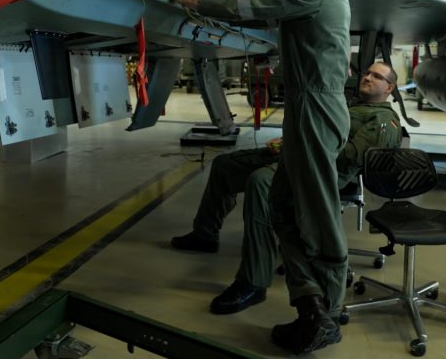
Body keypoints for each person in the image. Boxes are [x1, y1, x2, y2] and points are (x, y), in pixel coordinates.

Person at [171, 0, 350, 353]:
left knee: (317, 211)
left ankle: (329, 307)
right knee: (283, 207)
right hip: (308, 106)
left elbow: (253, 5)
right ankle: (311, 305)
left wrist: (192, 0)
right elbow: (265, 17)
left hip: (316, 108)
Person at [171, 62, 403, 317]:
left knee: (261, 182)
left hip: (319, 174)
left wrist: (299, 143)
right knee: (225, 164)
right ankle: (205, 234)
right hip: (297, 156)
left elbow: (350, 157)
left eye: (377, 76)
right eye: (367, 73)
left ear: (389, 87)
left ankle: (254, 282)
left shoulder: (382, 120)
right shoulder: (351, 105)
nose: (368, 77)